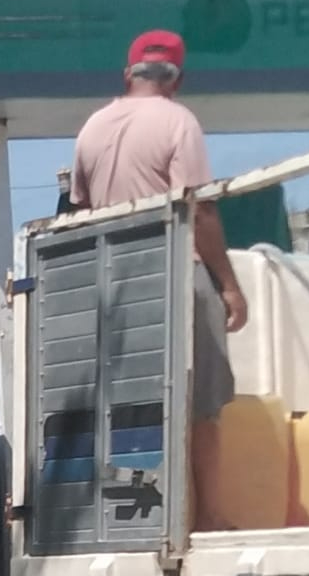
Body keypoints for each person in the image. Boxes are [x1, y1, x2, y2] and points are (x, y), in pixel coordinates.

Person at [71, 29, 248, 532]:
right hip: (175, 273)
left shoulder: (91, 129)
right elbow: (201, 208)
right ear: (177, 78)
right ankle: (208, 519)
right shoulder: (179, 122)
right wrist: (229, 287)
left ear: (127, 74)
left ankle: (139, 522)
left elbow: (81, 211)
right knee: (203, 404)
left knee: (135, 410)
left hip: (116, 284)